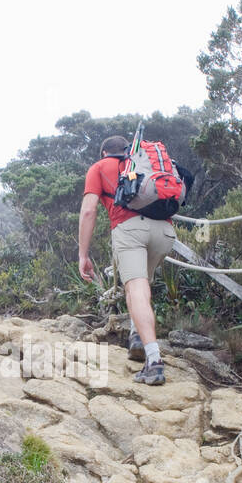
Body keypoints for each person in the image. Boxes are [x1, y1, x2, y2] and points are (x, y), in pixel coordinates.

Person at [77, 135, 174, 385]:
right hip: (165, 232)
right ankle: (136, 338)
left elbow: (89, 210)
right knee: (142, 287)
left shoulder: (99, 168)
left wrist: (83, 254)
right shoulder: (144, 163)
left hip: (129, 230)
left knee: (136, 288)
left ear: (103, 153)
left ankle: (153, 361)